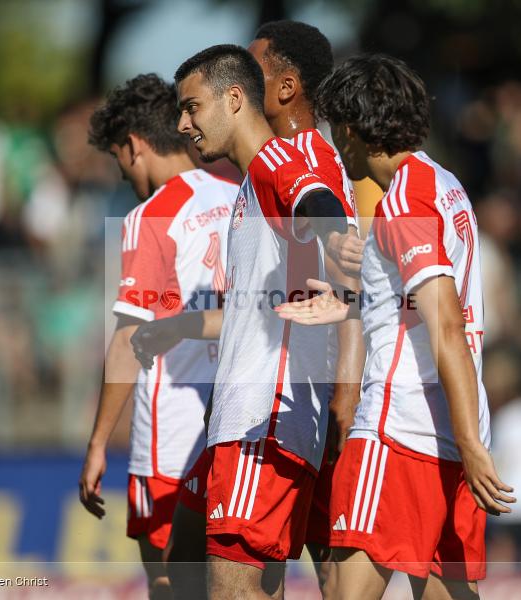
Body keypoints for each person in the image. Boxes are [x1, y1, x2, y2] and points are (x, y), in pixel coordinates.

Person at [275, 55, 515, 600]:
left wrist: (473, 445)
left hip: (398, 426)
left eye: (338, 130)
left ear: (353, 129)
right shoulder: (445, 184)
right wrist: (362, 304)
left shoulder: (405, 197)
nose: (337, 146)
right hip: (452, 423)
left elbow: (446, 323)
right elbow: (426, 304)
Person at [132, 44, 361, 599]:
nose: (183, 125)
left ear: (235, 99)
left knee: (235, 589)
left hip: (263, 422)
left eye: (191, 107)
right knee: (189, 563)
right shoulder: (251, 183)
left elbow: (316, 200)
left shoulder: (282, 160)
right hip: (244, 418)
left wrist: (334, 238)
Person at [77, 73, 238, 600]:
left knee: (170, 584)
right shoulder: (241, 198)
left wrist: (99, 442)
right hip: (239, 426)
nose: (124, 175)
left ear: (135, 145)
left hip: (171, 438)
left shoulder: (151, 216)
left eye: (119, 159)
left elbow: (129, 338)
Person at [246, 20, 365, 589]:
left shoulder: (297, 156)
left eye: (253, 71)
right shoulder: (313, 155)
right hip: (309, 401)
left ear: (287, 87)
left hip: (298, 402)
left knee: (254, 574)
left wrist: (346, 390)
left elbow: (342, 264)